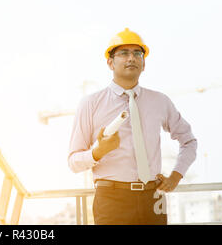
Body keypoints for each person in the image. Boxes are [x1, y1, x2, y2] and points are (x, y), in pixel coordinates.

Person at [68, 28, 197, 225]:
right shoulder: (91, 104)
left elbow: (188, 141)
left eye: (138, 53)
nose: (132, 58)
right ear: (110, 62)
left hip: (154, 198)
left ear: (144, 64)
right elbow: (73, 161)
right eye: (124, 53)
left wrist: (176, 176)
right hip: (111, 200)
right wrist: (97, 152)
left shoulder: (160, 101)